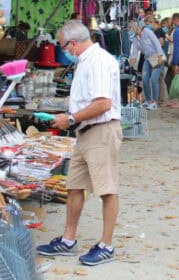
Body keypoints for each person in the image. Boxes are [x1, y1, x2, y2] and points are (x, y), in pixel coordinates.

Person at [37, 20, 122, 266]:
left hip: (101, 130)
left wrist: (71, 118)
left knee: (106, 189)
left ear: (73, 44)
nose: (63, 51)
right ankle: (68, 239)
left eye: (63, 46)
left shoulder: (98, 61)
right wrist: (71, 116)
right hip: (85, 131)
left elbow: (103, 103)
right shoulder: (86, 61)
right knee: (74, 186)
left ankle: (106, 244)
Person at [127, 19, 165, 110]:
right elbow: (134, 53)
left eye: (131, 29)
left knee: (154, 79)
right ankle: (148, 101)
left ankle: (155, 102)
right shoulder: (135, 38)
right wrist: (130, 66)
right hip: (147, 58)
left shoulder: (147, 32)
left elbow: (157, 43)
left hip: (157, 56)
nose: (130, 31)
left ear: (136, 28)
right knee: (144, 80)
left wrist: (160, 56)